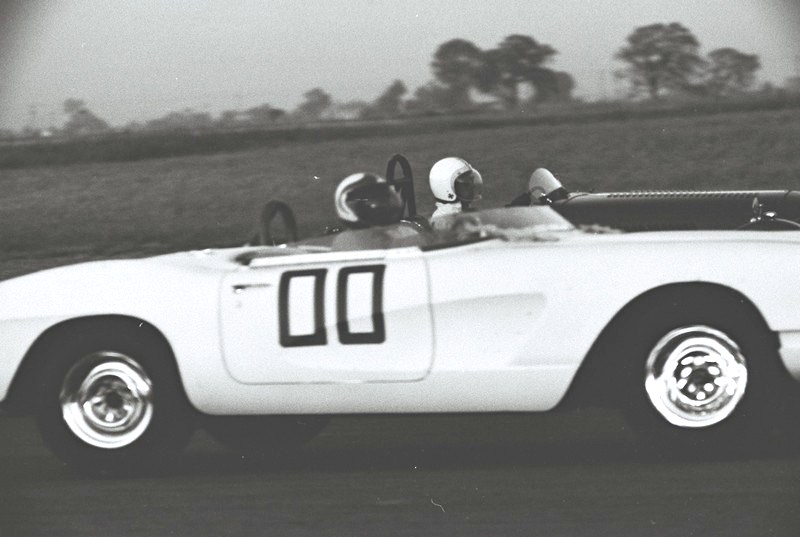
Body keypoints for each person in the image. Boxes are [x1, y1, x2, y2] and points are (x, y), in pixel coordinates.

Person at [428, 157, 483, 229]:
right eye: (466, 184)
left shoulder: (465, 211)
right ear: (447, 189)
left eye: (471, 181)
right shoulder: (442, 221)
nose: (472, 187)